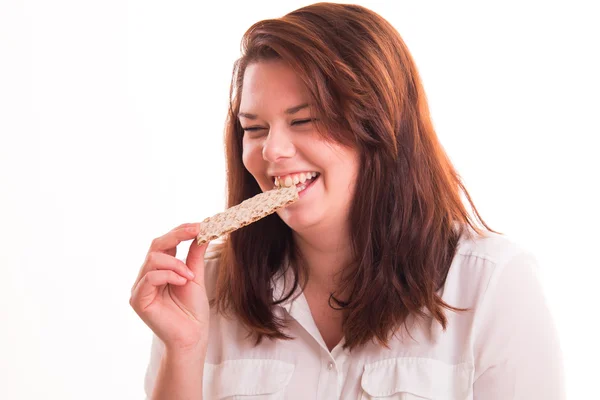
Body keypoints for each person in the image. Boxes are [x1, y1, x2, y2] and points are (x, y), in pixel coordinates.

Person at [130, 3, 565, 399]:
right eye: (255, 128)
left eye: (303, 120)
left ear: (379, 128)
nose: (272, 152)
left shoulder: (493, 286)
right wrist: (183, 351)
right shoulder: (203, 289)